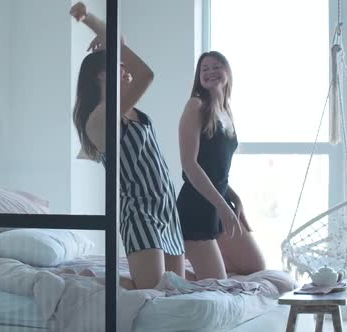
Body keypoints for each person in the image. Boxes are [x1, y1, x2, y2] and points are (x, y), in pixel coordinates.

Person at [70, 2, 185, 290]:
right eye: (120, 66)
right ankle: (90, 280)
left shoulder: (127, 108)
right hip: (140, 210)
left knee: (174, 290)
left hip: (166, 206)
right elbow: (147, 74)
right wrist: (97, 28)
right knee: (155, 291)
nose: (127, 69)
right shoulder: (100, 117)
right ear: (101, 74)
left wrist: (94, 24)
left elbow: (124, 48)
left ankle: (94, 279)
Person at [177, 51, 266, 280]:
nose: (210, 72)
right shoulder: (195, 106)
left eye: (216, 67)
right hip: (196, 208)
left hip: (219, 201)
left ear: (227, 72)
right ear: (199, 77)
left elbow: (216, 171)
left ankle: (185, 267)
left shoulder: (226, 113)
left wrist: (235, 198)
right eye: (204, 69)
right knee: (216, 283)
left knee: (256, 267)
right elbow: (190, 166)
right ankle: (169, 273)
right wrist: (224, 207)